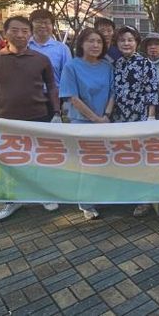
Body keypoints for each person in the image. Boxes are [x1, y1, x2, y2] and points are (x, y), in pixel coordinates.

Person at [0, 16, 61, 221]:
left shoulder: (41, 59)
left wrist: (57, 113)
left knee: (39, 160)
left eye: (25, 31)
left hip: (39, 118)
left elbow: (52, 87)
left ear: (30, 34)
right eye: (15, 30)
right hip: (7, 121)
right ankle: (13, 200)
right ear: (5, 33)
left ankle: (43, 195)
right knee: (10, 163)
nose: (20, 35)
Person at [59, 28, 114, 220]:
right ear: (81, 43)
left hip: (105, 121)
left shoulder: (107, 66)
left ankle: (100, 196)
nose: (95, 45)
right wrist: (96, 119)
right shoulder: (71, 66)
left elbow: (112, 93)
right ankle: (86, 203)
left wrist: (106, 115)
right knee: (86, 164)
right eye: (90, 41)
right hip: (81, 122)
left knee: (103, 162)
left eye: (99, 41)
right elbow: (73, 98)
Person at [112, 25, 159, 217]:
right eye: (122, 40)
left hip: (140, 118)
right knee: (124, 158)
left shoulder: (146, 64)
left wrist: (150, 117)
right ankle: (128, 194)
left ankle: (145, 199)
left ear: (137, 43)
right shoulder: (115, 64)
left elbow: (152, 92)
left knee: (142, 160)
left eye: (130, 40)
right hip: (119, 120)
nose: (126, 43)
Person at [27, 9, 71, 89]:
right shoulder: (25, 46)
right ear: (31, 24)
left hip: (54, 94)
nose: (43, 26)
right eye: (38, 22)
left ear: (52, 26)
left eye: (46, 22)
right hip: (28, 93)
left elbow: (68, 77)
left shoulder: (62, 49)